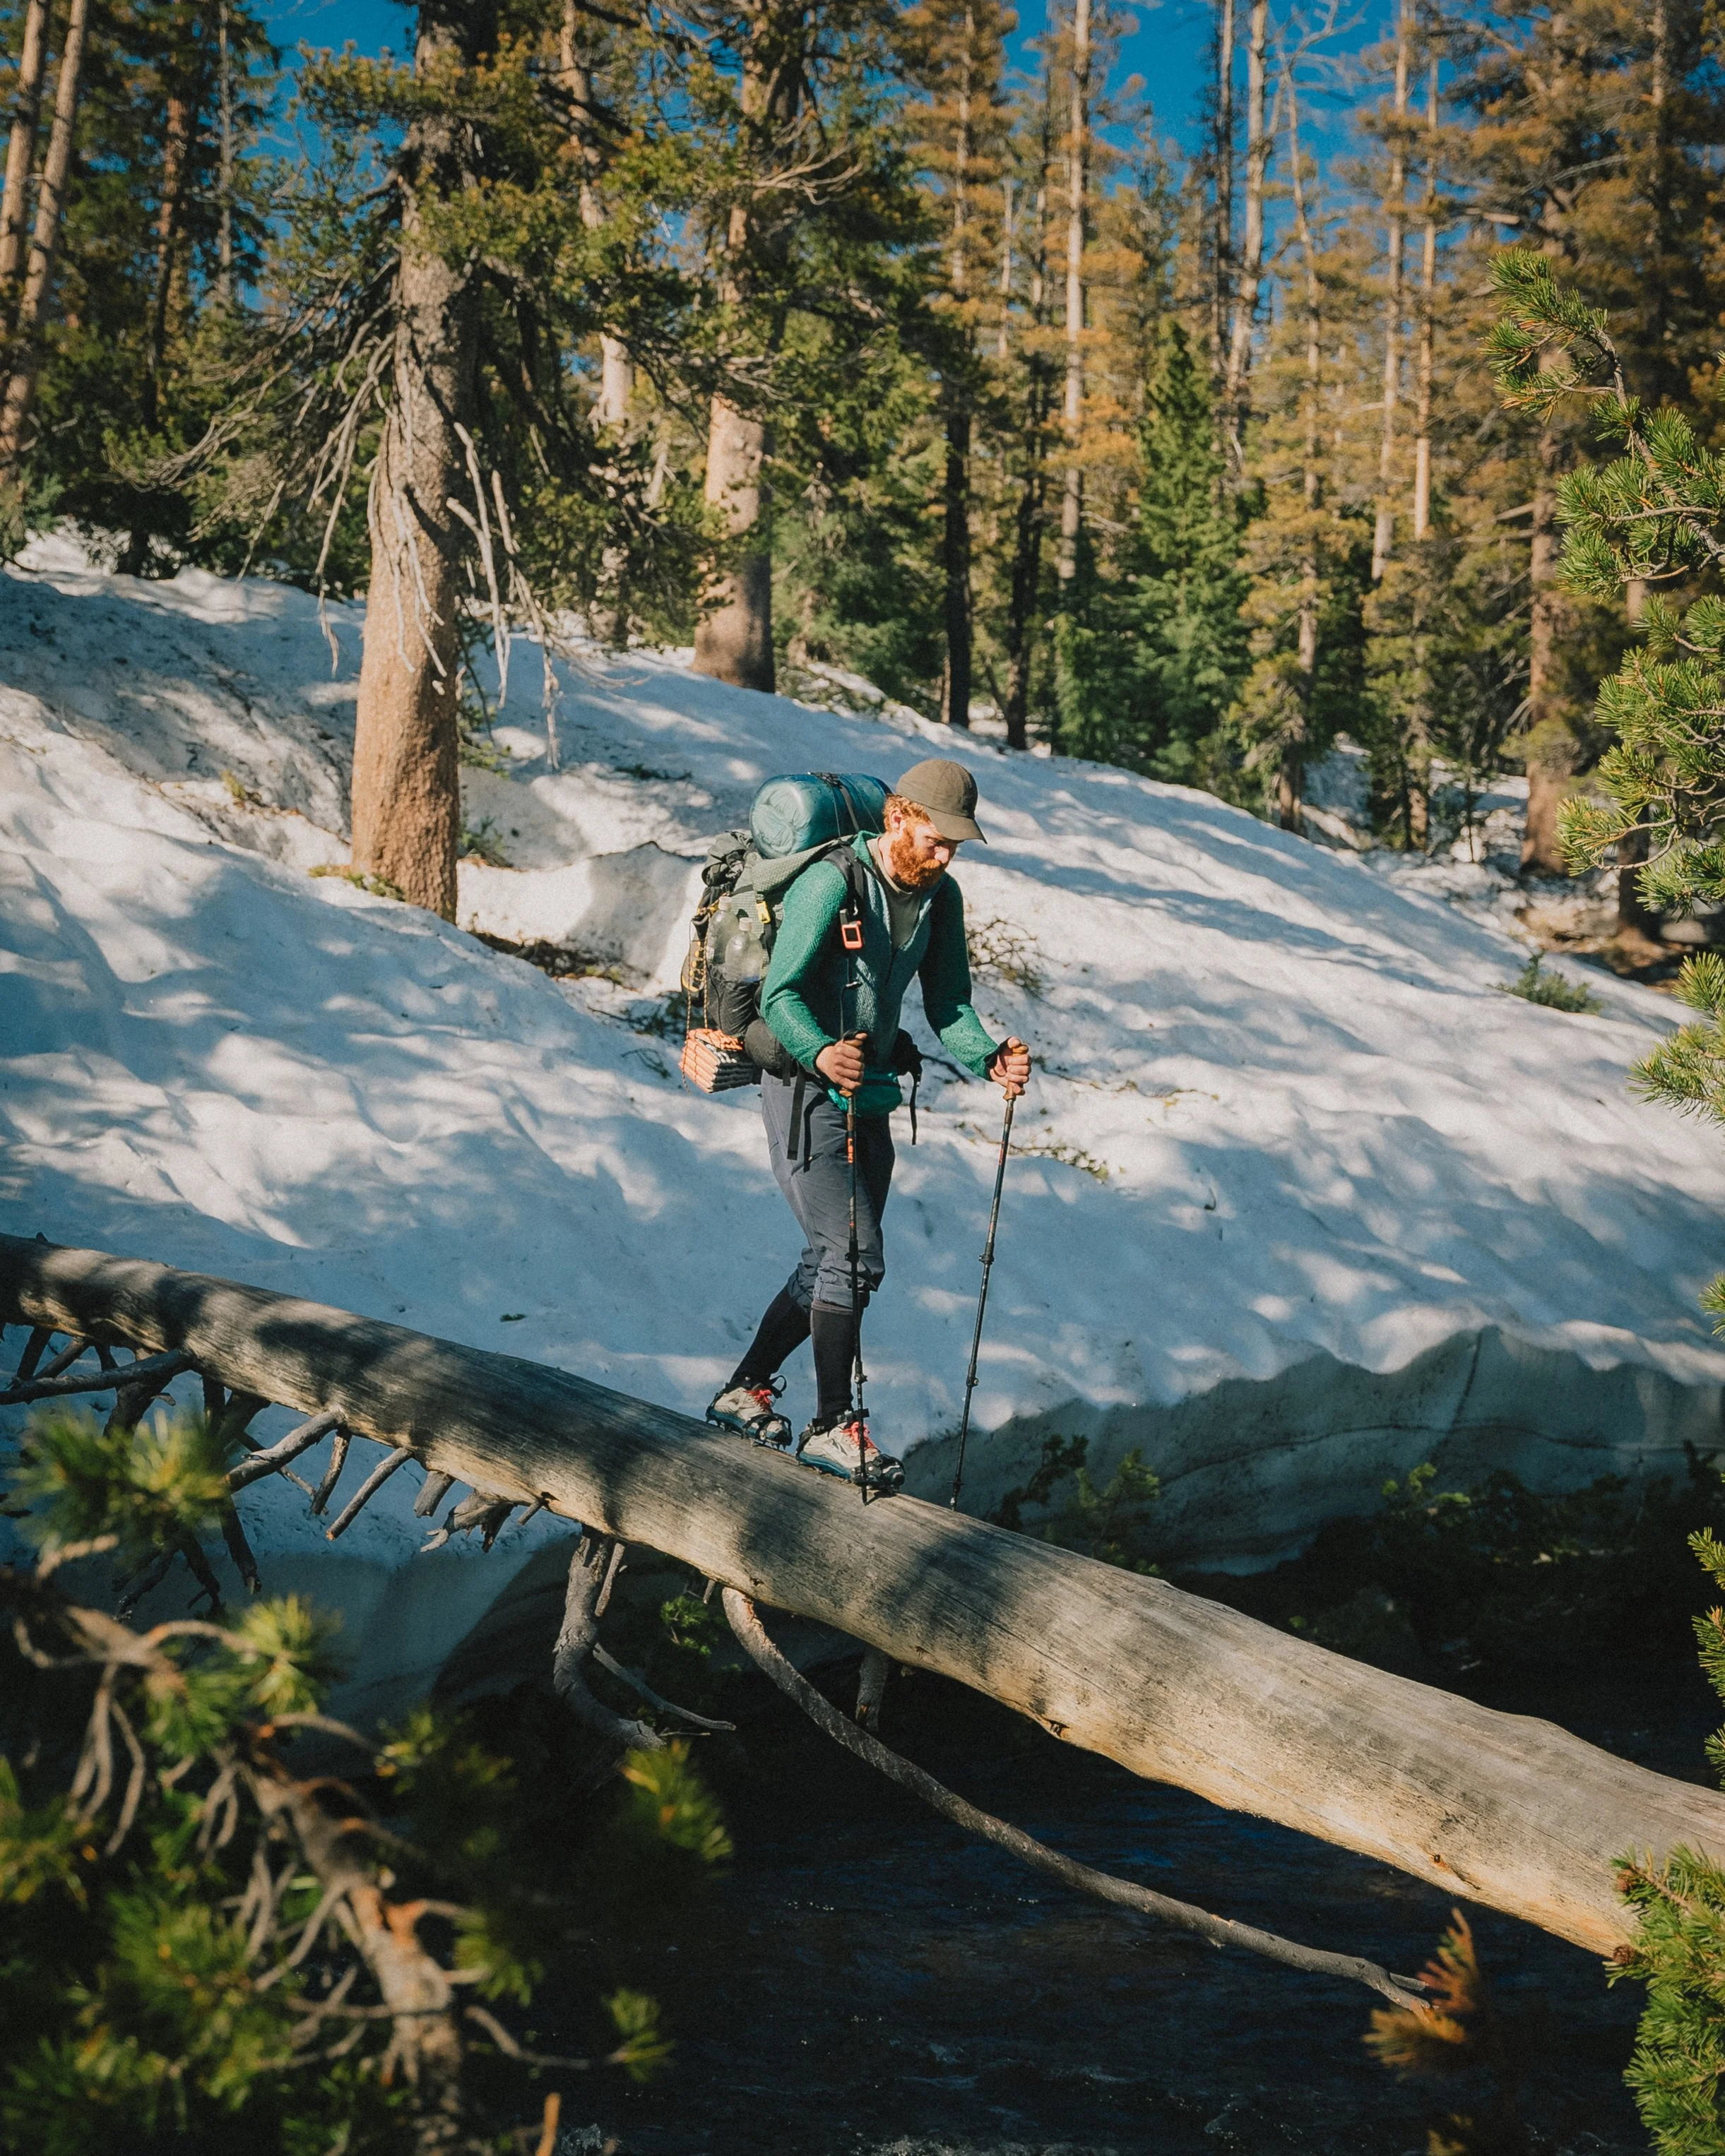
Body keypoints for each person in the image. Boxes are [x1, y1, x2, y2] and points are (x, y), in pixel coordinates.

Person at [707, 757, 1031, 1491]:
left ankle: (745, 1387)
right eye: (934, 838)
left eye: (955, 845)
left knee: (833, 1260)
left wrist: (990, 1057)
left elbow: (948, 1003)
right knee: (853, 1259)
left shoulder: (940, 898)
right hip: (806, 1088)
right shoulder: (833, 883)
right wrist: (821, 1051)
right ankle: (831, 1425)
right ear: (897, 817)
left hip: (872, 1091)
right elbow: (782, 995)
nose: (944, 855)